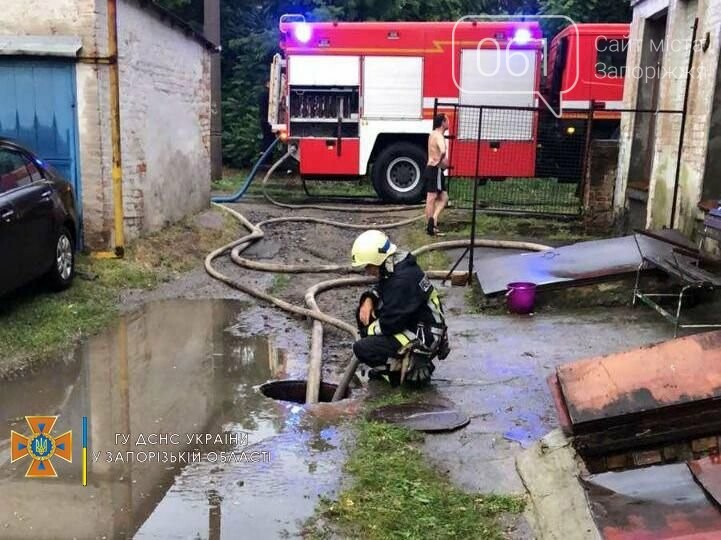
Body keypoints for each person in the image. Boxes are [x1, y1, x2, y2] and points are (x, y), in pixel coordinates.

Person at [350, 230, 450, 386]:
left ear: (379, 260)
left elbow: (389, 324)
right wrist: (369, 299)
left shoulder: (402, 279)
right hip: (417, 323)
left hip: (424, 335)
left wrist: (367, 333)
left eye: (368, 266)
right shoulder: (397, 266)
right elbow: (384, 287)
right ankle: (395, 362)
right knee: (364, 313)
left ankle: (405, 370)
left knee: (362, 348)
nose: (367, 271)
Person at [424, 113, 450, 236]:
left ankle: (432, 221)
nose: (449, 123)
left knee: (443, 197)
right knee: (432, 198)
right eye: (447, 120)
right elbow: (443, 151)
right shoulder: (439, 136)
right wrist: (440, 161)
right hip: (435, 169)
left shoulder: (432, 134)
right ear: (443, 122)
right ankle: (431, 227)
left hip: (434, 170)